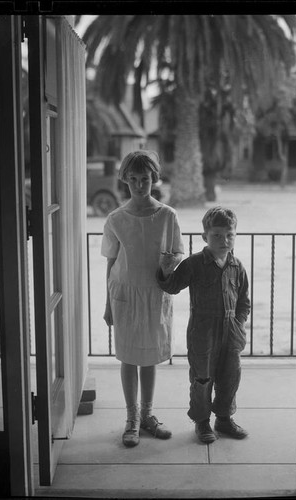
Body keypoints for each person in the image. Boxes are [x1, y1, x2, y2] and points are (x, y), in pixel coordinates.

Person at [101, 150, 184, 448]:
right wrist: (107, 304)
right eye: (133, 179)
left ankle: (148, 415)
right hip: (124, 295)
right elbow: (111, 263)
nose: (139, 185)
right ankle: (131, 418)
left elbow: (176, 253)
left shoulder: (167, 216)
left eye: (145, 179)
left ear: (154, 179)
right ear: (124, 180)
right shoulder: (116, 219)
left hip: (154, 294)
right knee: (128, 357)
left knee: (148, 357)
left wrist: (169, 264)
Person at [157, 206, 250, 444]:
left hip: (231, 332)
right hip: (203, 332)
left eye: (229, 234)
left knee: (230, 376)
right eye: (217, 235)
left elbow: (243, 302)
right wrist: (166, 271)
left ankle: (224, 418)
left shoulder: (237, 266)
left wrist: (238, 324)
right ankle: (202, 421)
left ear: (235, 235)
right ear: (205, 237)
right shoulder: (195, 264)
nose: (224, 240)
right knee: (202, 378)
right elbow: (173, 286)